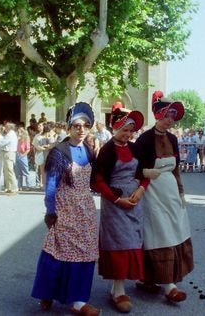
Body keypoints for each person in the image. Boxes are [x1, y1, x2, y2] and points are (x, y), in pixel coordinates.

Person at [31, 102, 100, 316]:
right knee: (58, 253)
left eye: (86, 125)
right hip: (65, 209)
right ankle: (47, 292)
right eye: (77, 125)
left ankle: (78, 301)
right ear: (69, 127)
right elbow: (50, 186)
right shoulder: (59, 152)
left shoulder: (88, 151)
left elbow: (93, 180)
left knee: (85, 253)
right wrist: (51, 212)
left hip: (85, 210)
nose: (81, 130)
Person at [134, 91, 193, 304]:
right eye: (168, 115)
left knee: (176, 230)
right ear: (159, 115)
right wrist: (143, 173)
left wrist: (181, 191)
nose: (171, 120)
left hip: (170, 192)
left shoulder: (173, 139)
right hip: (152, 192)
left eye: (174, 116)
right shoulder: (144, 139)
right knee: (158, 234)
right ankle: (168, 286)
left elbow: (176, 169)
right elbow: (133, 167)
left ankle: (152, 280)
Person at [93, 104, 146, 313]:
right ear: (115, 128)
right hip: (115, 203)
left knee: (132, 241)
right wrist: (117, 200)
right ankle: (118, 290)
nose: (128, 134)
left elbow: (144, 173)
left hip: (134, 201)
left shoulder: (135, 149)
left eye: (131, 131)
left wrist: (141, 189)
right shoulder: (106, 150)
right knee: (119, 244)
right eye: (124, 130)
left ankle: (119, 287)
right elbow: (98, 180)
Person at [0, 122, 19, 195]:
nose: (4, 128)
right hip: (8, 153)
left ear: (8, 127)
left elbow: (3, 142)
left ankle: (14, 188)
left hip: (9, 153)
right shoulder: (11, 134)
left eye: (5, 127)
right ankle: (9, 187)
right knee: (6, 171)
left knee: (9, 170)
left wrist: (0, 141)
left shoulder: (10, 134)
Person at [15, 127, 31, 191]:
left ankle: (28, 185)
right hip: (17, 155)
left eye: (20, 132)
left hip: (23, 155)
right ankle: (19, 186)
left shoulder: (26, 140)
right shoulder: (17, 139)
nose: (19, 133)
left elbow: (28, 149)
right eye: (18, 132)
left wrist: (23, 155)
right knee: (18, 172)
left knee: (26, 172)